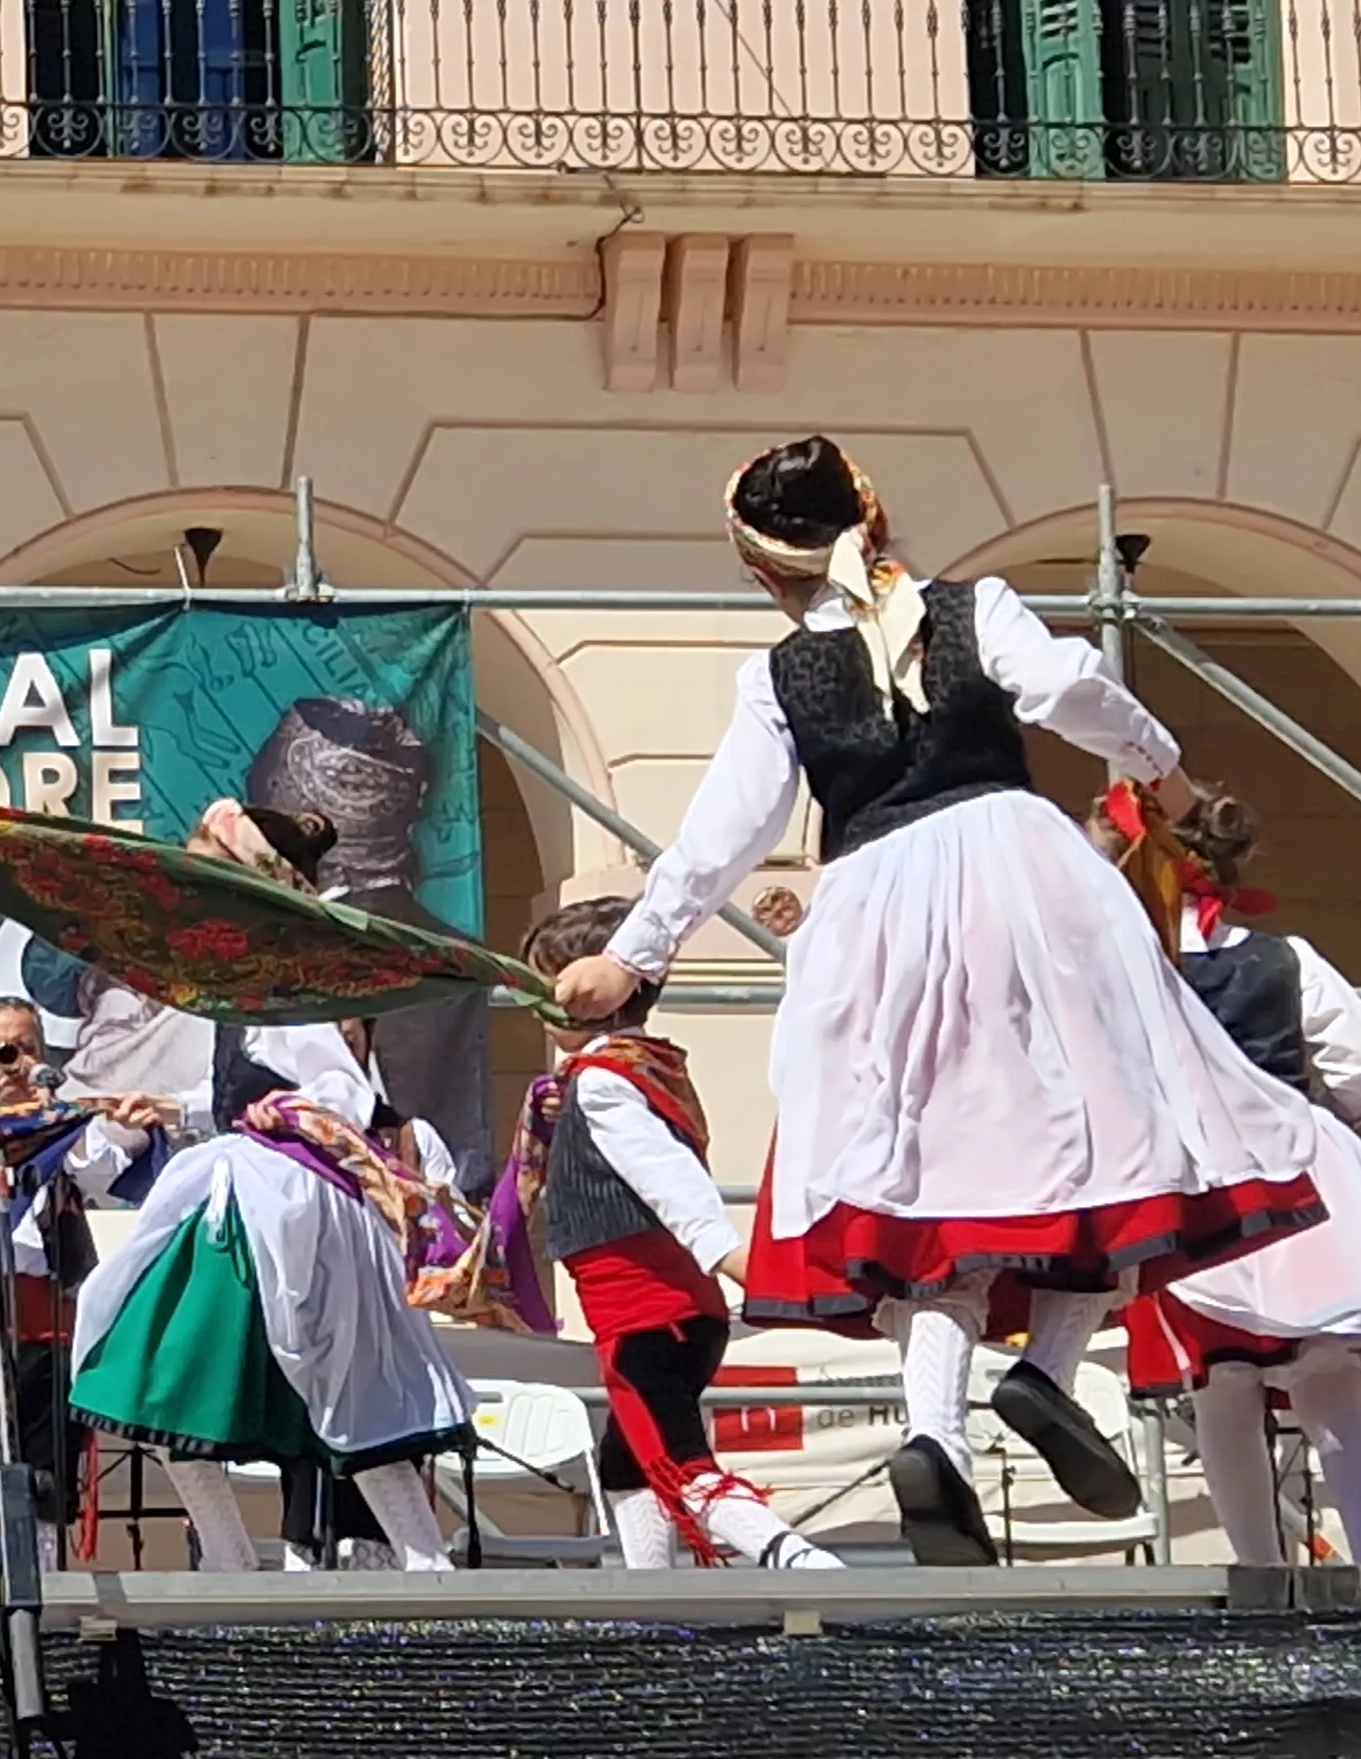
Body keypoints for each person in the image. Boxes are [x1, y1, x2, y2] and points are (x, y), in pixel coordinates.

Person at [548, 435, 1321, 1567]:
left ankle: (934, 1435)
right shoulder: (975, 608)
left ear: (763, 573)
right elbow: (1067, 691)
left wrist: (634, 955)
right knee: (1110, 1137)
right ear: (874, 521)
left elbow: (727, 829)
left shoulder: (774, 678)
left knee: (919, 1186)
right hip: (1023, 878)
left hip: (872, 909)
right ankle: (1049, 1374)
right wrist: (1166, 775)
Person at [66, 802, 477, 1574]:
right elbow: (255, 1079)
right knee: (158, 1376)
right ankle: (234, 1561)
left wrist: (284, 1110)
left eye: (206, 869)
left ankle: (422, 1563)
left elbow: (339, 1087)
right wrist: (176, 1106)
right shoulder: (249, 970)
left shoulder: (285, 968)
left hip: (277, 1202)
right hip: (244, 1190)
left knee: (258, 1379)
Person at [1115, 790, 1361, 1565]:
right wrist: (1331, 1117)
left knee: (1222, 1384)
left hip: (1197, 1174)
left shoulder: (1129, 968)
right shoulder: (1287, 958)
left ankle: (1256, 1570)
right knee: (1332, 1380)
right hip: (1297, 1167)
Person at [506, 897, 839, 1571]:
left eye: (548, 983)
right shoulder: (638, 1066)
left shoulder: (604, 1084)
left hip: (647, 1317)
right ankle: (648, 1604)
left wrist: (740, 1261)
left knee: (682, 1463)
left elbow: (672, 1186)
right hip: (675, 1315)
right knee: (626, 1463)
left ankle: (802, 1564)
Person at [0, 998, 168, 1558]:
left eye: (24, 1048)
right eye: (0, 1051)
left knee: (48, 1486)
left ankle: (48, 1603)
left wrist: (108, 1124)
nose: (12, 1062)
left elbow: (99, 1169)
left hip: (49, 1332)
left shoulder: (65, 1127)